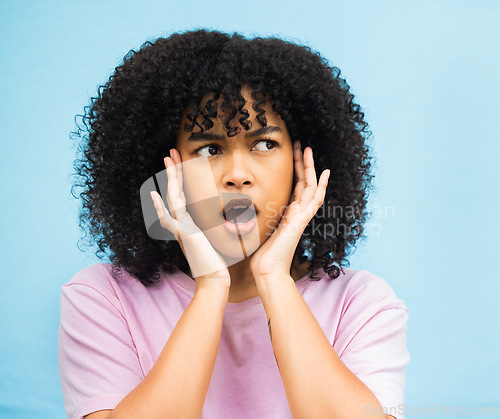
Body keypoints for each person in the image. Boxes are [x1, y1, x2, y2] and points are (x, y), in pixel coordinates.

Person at [58, 29, 410, 419]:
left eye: (264, 144)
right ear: (165, 169)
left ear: (303, 164)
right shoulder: (103, 298)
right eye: (209, 149)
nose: (237, 175)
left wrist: (274, 278)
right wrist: (211, 286)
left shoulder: (360, 305)